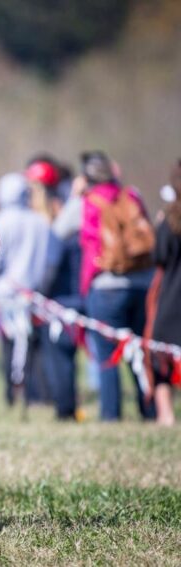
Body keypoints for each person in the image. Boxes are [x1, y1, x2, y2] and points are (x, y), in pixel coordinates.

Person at [56, 151, 156, 421]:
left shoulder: (86, 202)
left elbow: (59, 231)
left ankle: (111, 414)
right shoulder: (131, 195)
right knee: (140, 350)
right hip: (143, 282)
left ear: (86, 177)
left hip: (107, 285)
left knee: (107, 355)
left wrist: (76, 196)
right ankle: (150, 410)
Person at [0, 173, 56, 407]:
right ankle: (36, 393)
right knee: (34, 346)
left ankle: (11, 392)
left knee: (8, 346)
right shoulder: (41, 222)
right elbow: (53, 258)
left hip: (6, 297)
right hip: (36, 294)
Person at [145, 160, 181, 426]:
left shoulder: (169, 220)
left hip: (172, 296)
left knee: (162, 358)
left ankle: (166, 415)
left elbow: (159, 256)